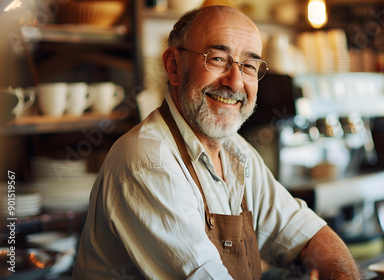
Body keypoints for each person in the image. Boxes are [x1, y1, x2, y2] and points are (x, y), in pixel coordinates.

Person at [73, 5, 363, 280]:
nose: (235, 82)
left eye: (249, 66)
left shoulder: (236, 152)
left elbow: (308, 235)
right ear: (174, 66)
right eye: (217, 59)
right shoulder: (148, 160)